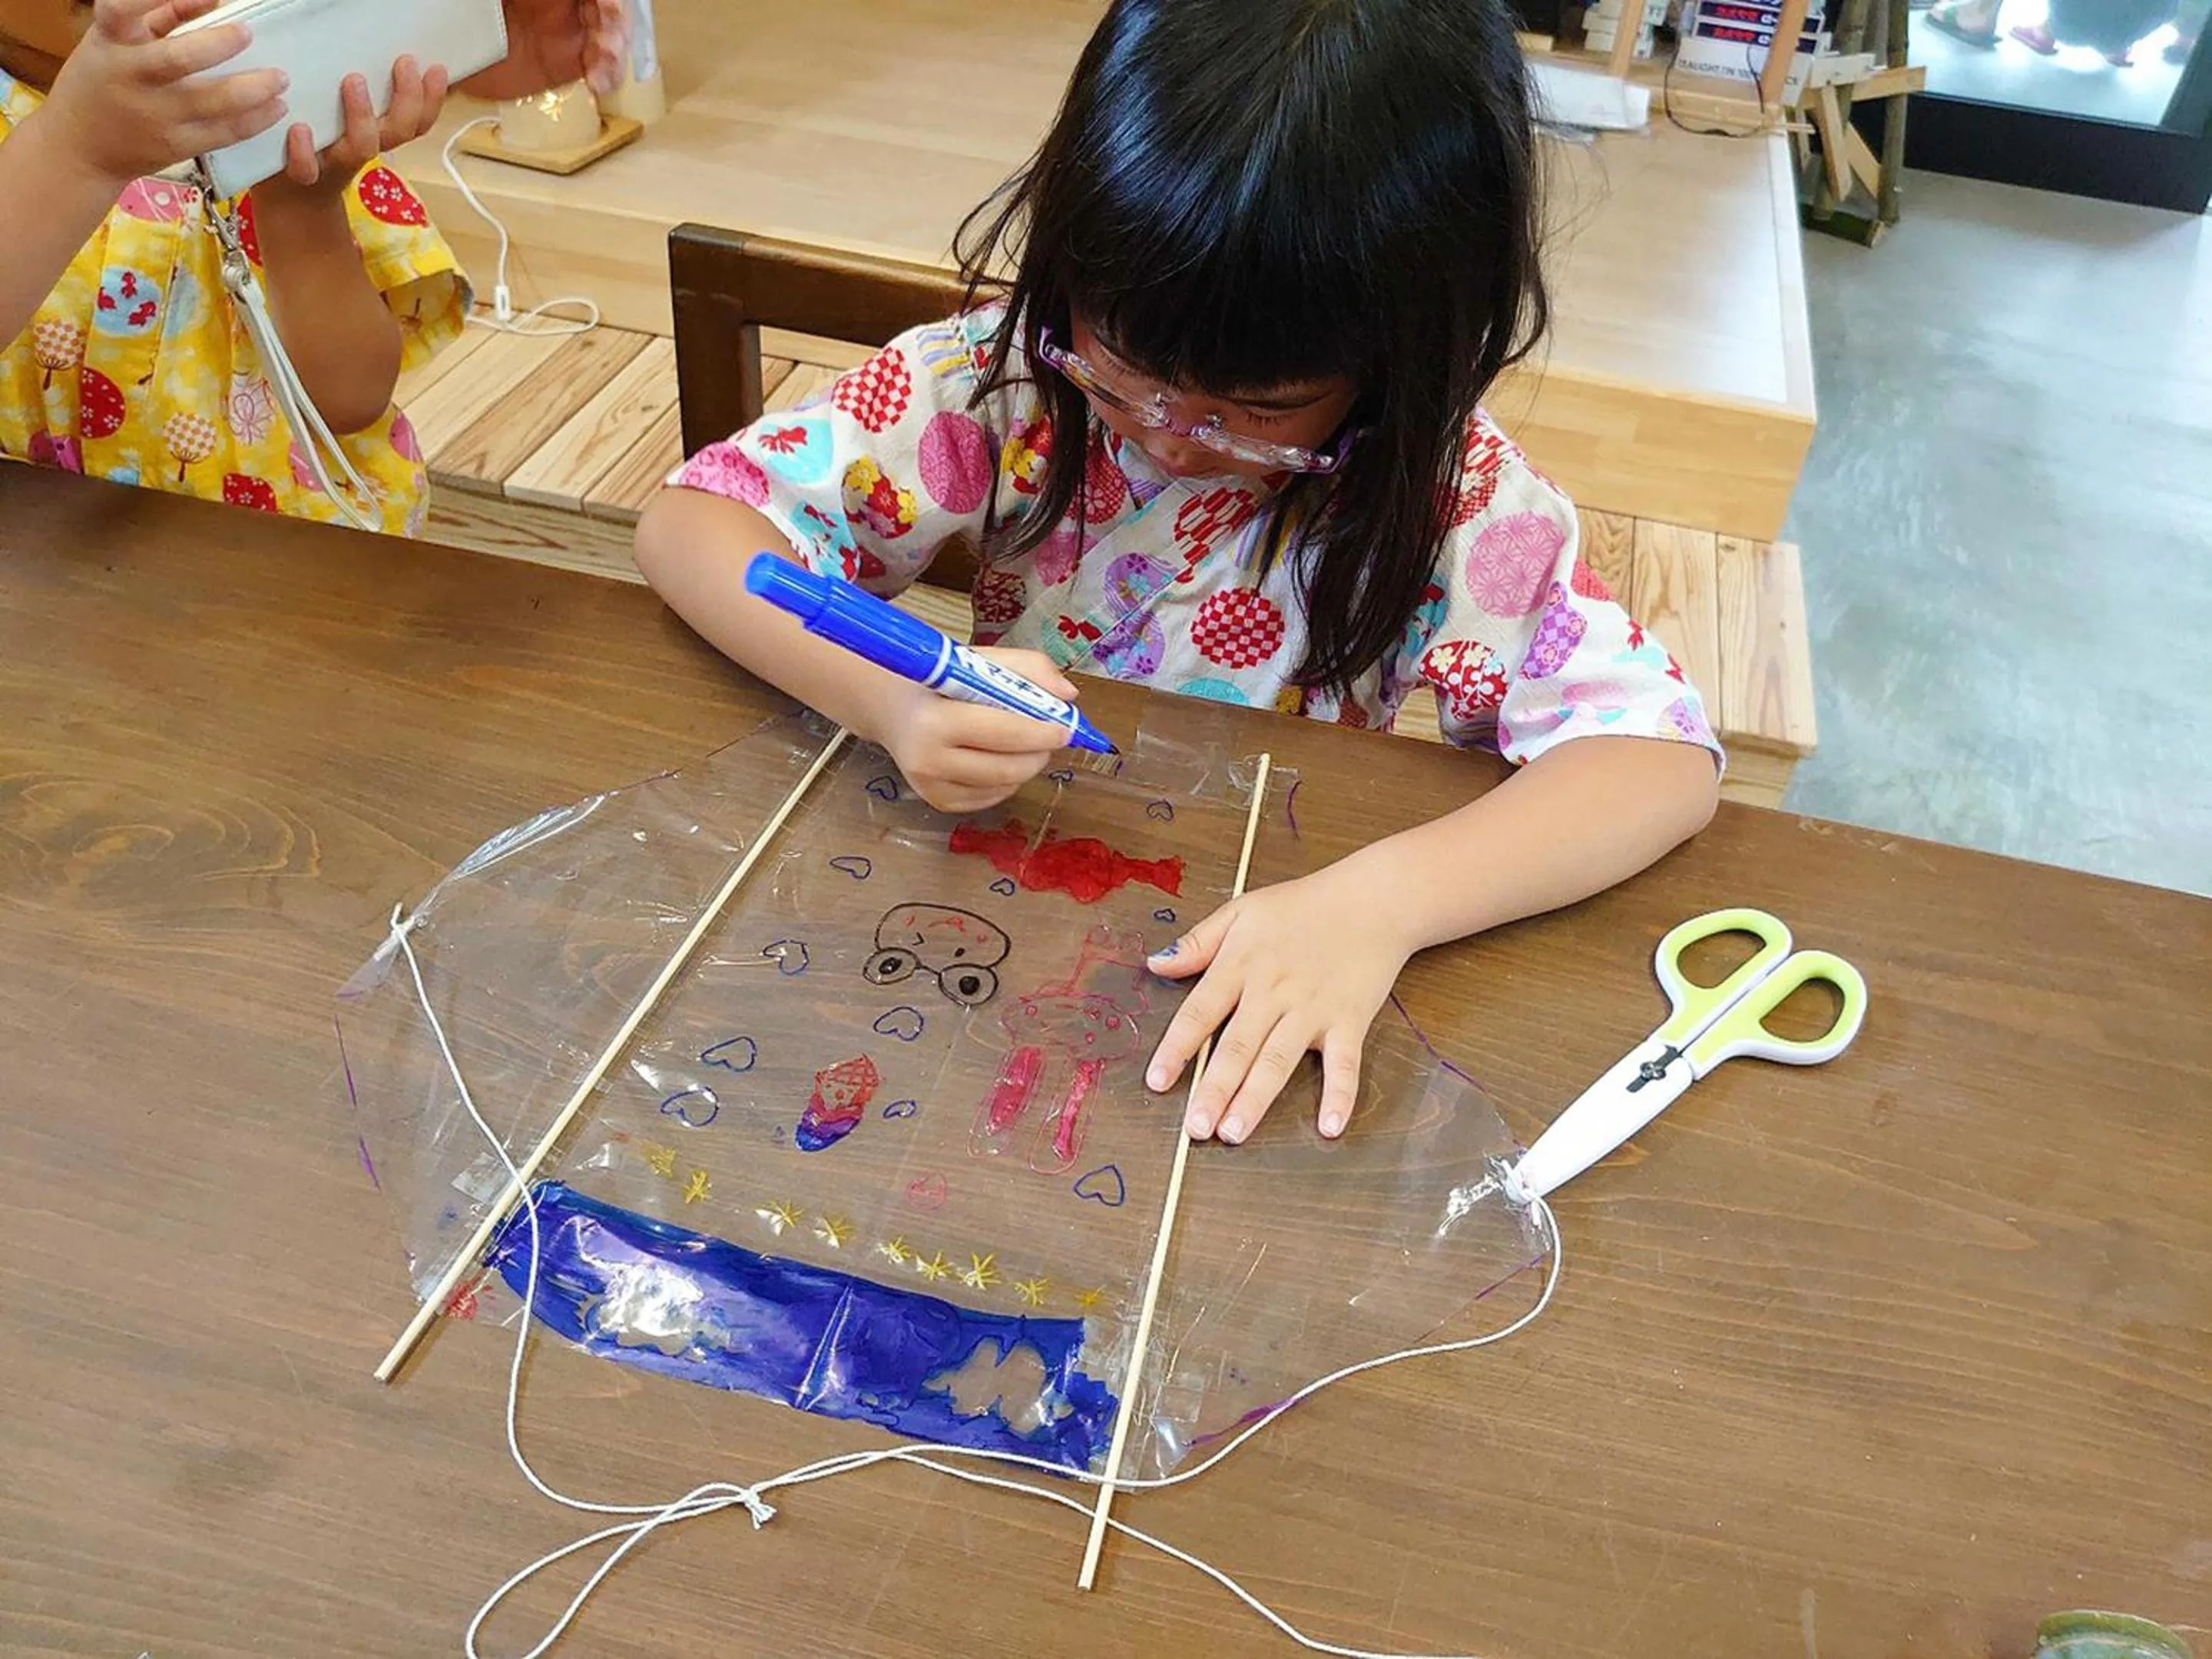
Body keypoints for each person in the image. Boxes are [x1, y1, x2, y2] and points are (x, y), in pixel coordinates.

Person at [634, 0, 1724, 1144]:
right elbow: (692, 528)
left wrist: (1381, 902)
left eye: (1257, 413)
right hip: (1000, 877)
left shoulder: (1451, 499)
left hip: (1262, 908)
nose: (1167, 436)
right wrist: (893, 702)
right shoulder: (999, 383)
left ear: (1407, 359)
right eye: (1125, 375)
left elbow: (1657, 763)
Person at [0, 0, 471, 531]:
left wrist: (302, 210)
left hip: (278, 562)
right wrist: (74, 145)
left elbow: (351, 397)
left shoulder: (289, 114)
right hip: (45, 560)